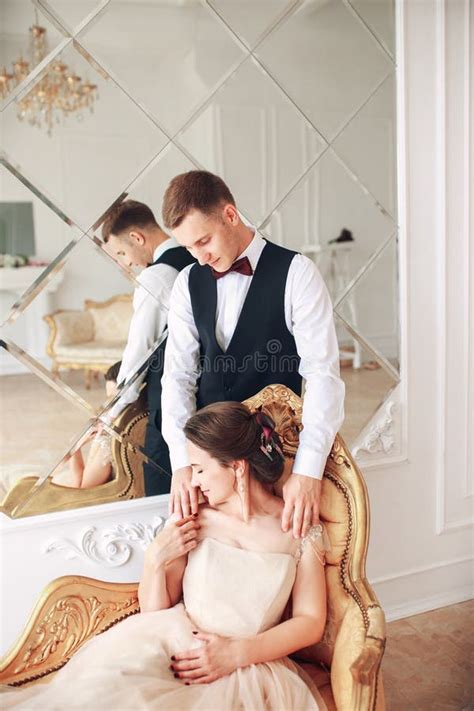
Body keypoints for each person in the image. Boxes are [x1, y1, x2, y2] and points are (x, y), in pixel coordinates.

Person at [0, 402, 328, 710]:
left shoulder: (297, 529)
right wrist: (156, 558)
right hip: (170, 641)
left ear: (237, 468)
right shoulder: (194, 516)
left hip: (245, 665)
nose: (193, 481)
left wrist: (237, 653)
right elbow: (155, 610)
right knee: (106, 694)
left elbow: (310, 622)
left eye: (199, 469)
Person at [160, 170, 345, 537]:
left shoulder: (297, 273)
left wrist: (307, 471)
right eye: (189, 248)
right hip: (210, 465)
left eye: (204, 241)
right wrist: (183, 462)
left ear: (230, 215)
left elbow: (323, 375)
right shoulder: (188, 282)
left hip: (276, 460)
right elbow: (178, 376)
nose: (199, 257)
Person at [101, 200, 195, 496]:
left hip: (171, 396)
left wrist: (112, 410)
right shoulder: (197, 256)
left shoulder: (156, 277)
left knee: (161, 486)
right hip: (216, 389)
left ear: (137, 238)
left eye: (121, 253)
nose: (125, 263)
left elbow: (140, 349)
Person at [51, 361, 120, 489]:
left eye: (113, 399)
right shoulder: (108, 426)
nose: (109, 407)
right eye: (108, 399)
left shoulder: (106, 439)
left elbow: (82, 486)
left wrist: (76, 445)